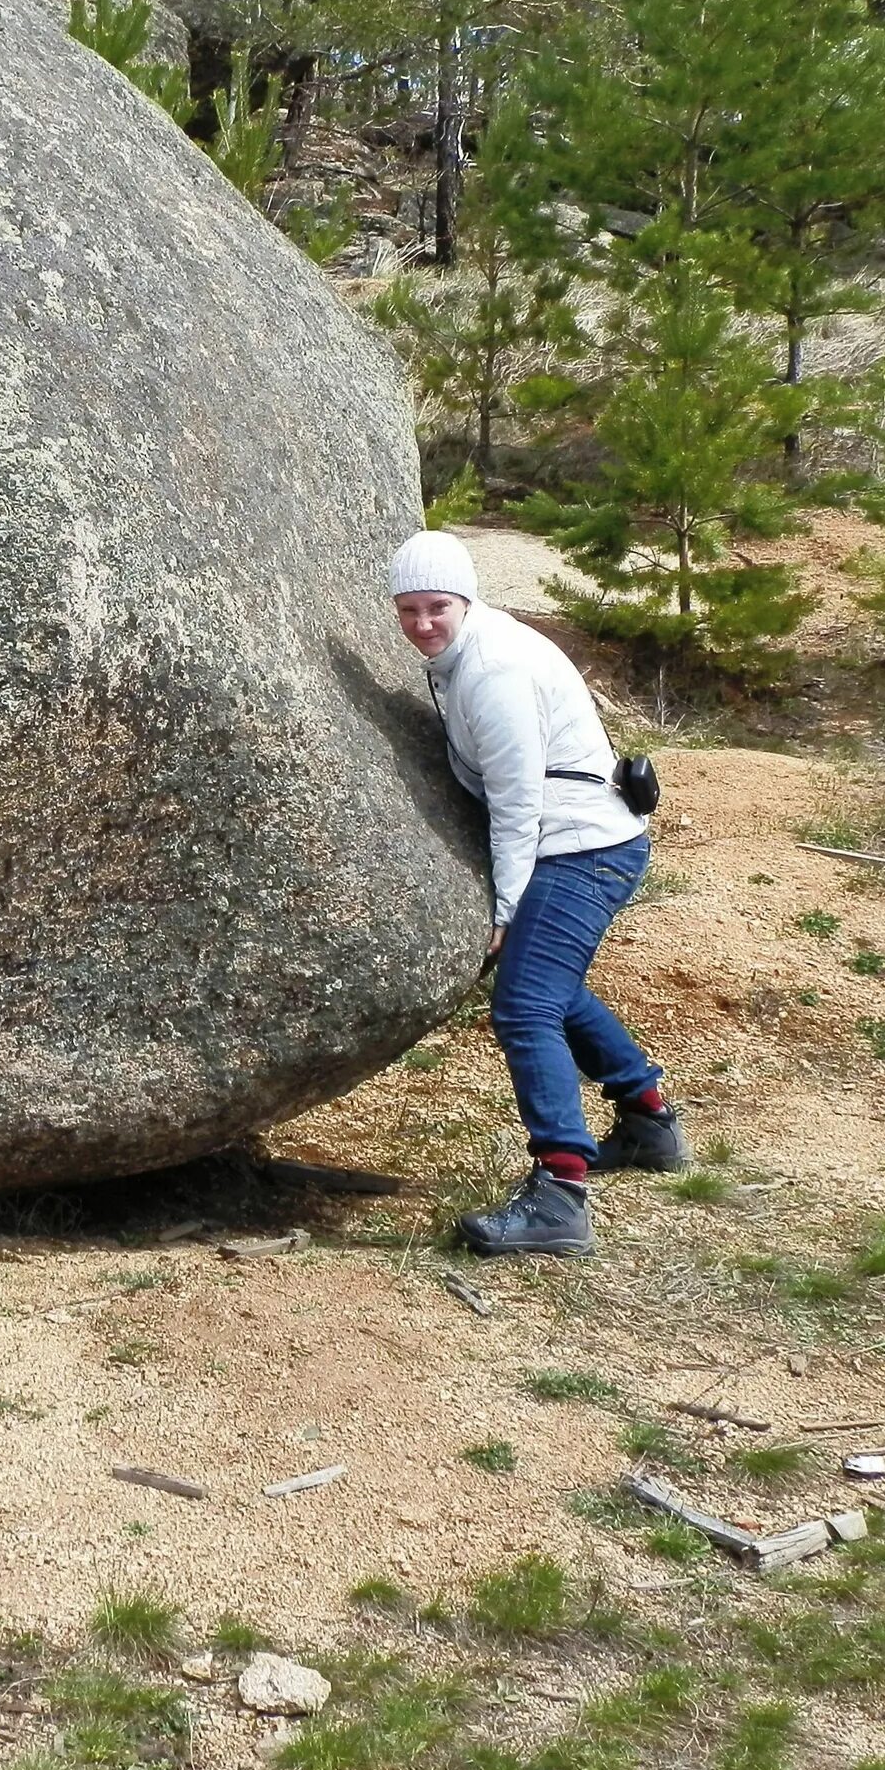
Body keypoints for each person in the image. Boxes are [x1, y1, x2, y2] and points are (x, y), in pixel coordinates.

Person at [389, 529, 682, 1258]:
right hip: (577, 838)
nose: (423, 623)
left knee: (524, 1003)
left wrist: (504, 910)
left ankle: (560, 1195)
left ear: (466, 600)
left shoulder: (494, 669)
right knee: (550, 986)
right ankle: (648, 1120)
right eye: (409, 609)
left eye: (437, 607)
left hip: (584, 848)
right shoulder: (462, 654)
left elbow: (517, 803)